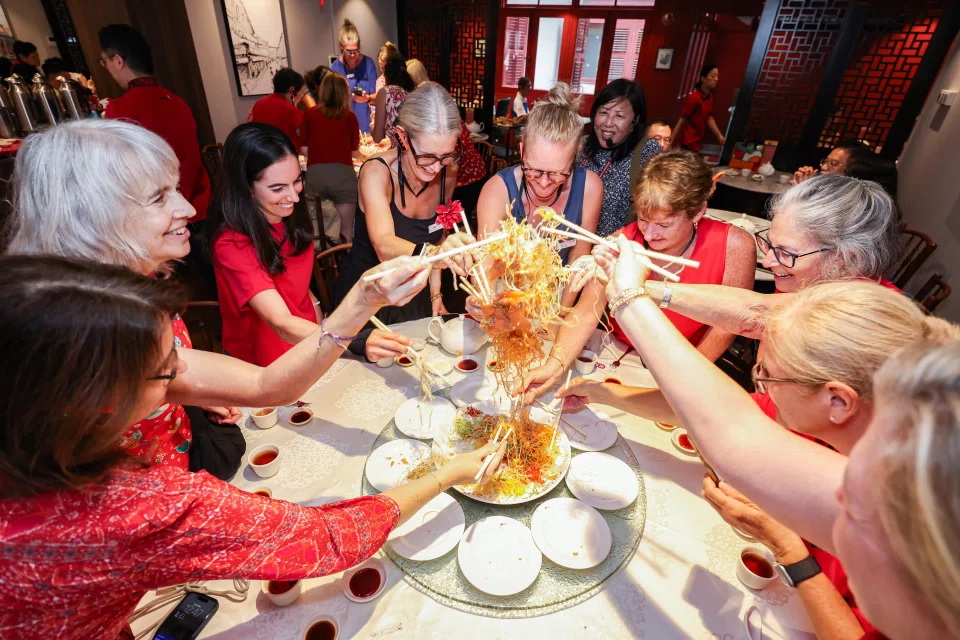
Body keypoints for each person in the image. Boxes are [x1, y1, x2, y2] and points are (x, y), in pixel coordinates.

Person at [0, 255, 507, 640]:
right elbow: (329, 539)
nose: (183, 373)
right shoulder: (134, 509)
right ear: (98, 405)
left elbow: (268, 385)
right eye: (164, 371)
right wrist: (448, 473)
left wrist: (363, 301)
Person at [588, 236, 960, 640]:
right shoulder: (895, 446)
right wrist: (602, 389)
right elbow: (729, 402)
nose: (759, 386)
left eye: (768, 377)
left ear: (837, 399)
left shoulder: (909, 524)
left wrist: (628, 298)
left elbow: (733, 431)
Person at [5, 119, 417, 469]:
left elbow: (220, 376)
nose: (187, 207)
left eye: (177, 189)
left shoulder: (137, 299)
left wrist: (192, 394)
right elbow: (265, 373)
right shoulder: (87, 337)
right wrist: (357, 321)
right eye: (158, 197)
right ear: (91, 218)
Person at [518, 149, 755, 403]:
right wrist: (555, 364)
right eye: (643, 220)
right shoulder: (622, 242)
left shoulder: (735, 246)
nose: (650, 235)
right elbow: (587, 311)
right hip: (621, 356)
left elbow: (725, 326)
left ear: (698, 212)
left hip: (689, 359)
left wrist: (685, 376)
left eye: (664, 225)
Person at [584, 174, 901, 346]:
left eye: (786, 253)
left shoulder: (871, 317)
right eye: (770, 245)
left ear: (849, 259)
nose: (769, 261)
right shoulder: (804, 281)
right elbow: (746, 310)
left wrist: (635, 287)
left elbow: (752, 313)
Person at [334, 82, 474, 336]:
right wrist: (437, 254)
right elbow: (384, 245)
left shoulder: (447, 171)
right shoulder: (377, 172)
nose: (435, 167)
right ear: (401, 136)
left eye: (446, 155)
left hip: (412, 294)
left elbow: (438, 236)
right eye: (427, 156)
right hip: (369, 298)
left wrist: (435, 294)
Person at [476, 82, 603, 306]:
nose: (544, 183)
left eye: (557, 174)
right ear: (522, 151)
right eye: (533, 170)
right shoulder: (497, 190)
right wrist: (485, 301)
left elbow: (578, 259)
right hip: (505, 297)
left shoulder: (589, 188)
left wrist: (560, 315)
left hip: (556, 298)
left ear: (574, 158)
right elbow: (485, 264)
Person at [209, 123, 319, 366]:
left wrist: (318, 314)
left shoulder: (289, 215)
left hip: (308, 341)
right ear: (246, 188)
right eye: (278, 188)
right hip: (262, 363)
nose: (294, 196)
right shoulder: (231, 242)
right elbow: (280, 322)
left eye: (297, 181)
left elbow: (298, 286)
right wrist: (346, 340)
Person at [99, 24, 211, 228]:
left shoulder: (119, 109)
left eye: (104, 61)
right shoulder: (178, 102)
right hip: (197, 204)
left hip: (161, 217)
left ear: (117, 60)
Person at [577, 79, 659, 236]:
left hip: (615, 251)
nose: (608, 123)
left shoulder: (649, 154)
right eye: (604, 112)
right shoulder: (580, 146)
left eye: (619, 116)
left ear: (634, 120)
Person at [304, 72, 361, 242]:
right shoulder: (350, 117)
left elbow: (303, 149)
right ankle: (344, 265)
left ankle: (323, 266)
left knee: (317, 230)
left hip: (316, 175)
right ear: (345, 93)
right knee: (346, 230)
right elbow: (355, 150)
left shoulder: (310, 115)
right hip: (343, 175)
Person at [330, 19, 378, 134]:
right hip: (344, 126)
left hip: (366, 125)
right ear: (341, 46)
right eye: (349, 51)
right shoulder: (335, 68)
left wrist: (367, 98)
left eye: (356, 51)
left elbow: (377, 97)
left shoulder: (368, 63)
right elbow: (332, 102)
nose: (352, 55)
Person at [246, 67, 308, 149]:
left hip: (261, 152)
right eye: (301, 94)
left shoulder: (259, 103)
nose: (301, 98)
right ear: (291, 90)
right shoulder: (292, 111)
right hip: (285, 154)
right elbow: (306, 137)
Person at [673, 64, 725, 152]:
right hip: (687, 142)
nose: (716, 79)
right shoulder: (694, 97)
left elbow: (708, 117)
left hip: (697, 142)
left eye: (717, 76)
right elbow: (682, 120)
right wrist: (670, 142)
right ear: (703, 78)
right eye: (712, 76)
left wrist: (719, 135)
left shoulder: (710, 97)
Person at [373, 52, 416, 145]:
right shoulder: (413, 91)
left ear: (386, 75)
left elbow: (377, 137)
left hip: (399, 152)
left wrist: (373, 125)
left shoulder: (385, 92)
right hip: (415, 149)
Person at [793, 139, 871, 184]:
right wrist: (801, 185)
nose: (823, 167)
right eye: (826, 161)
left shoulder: (850, 199)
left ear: (853, 170)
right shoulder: (822, 187)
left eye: (833, 164)